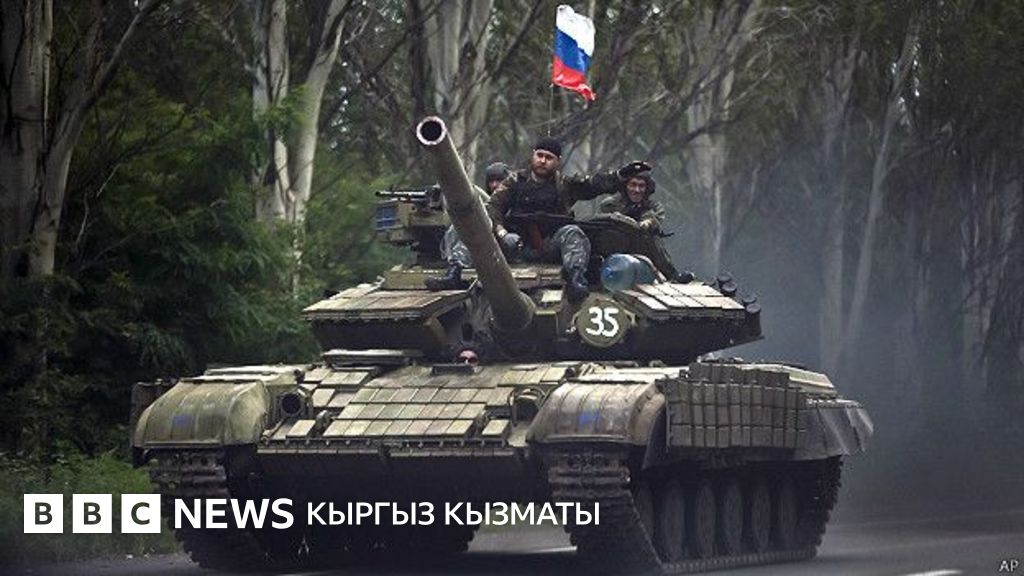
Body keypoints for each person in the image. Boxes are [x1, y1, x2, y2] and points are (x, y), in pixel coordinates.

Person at [428, 162, 510, 291]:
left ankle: (455, 270)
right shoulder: (487, 201)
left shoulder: (514, 200)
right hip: (483, 247)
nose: (495, 185)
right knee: (460, 226)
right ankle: (454, 268)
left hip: (504, 246)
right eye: (491, 181)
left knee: (475, 229)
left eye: (499, 180)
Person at [598, 167, 665, 234]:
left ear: (647, 189)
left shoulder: (655, 208)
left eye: (641, 186)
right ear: (625, 186)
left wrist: (648, 223)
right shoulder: (610, 205)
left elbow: (656, 225)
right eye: (633, 185)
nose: (637, 190)